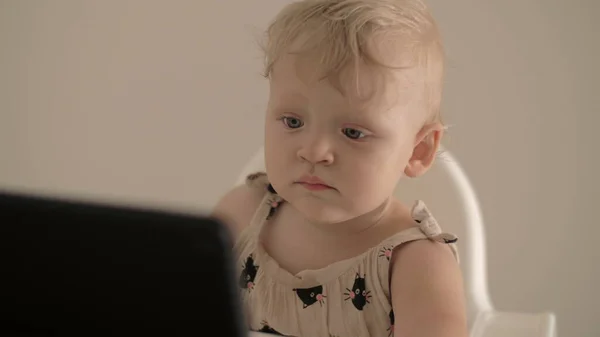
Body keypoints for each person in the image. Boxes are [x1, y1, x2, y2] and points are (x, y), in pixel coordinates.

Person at [212, 0, 468, 336]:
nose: (314, 151)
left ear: (417, 150)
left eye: (353, 132)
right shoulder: (240, 217)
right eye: (292, 121)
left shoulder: (415, 264)